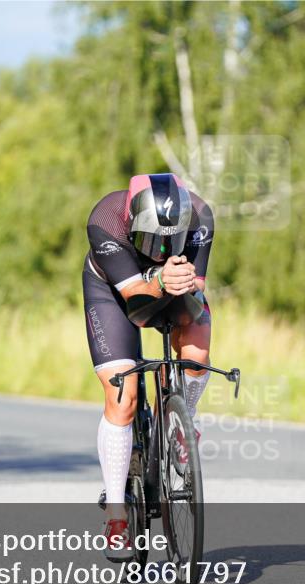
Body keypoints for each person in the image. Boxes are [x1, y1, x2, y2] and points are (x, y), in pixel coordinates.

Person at [82, 173, 214, 562]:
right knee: (123, 396)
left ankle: (180, 424)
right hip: (115, 294)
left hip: (173, 288)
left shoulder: (202, 217)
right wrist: (160, 275)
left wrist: (186, 283)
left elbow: (197, 286)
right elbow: (136, 299)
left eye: (170, 241)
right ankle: (118, 515)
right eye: (152, 240)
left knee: (198, 351)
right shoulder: (105, 219)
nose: (161, 248)